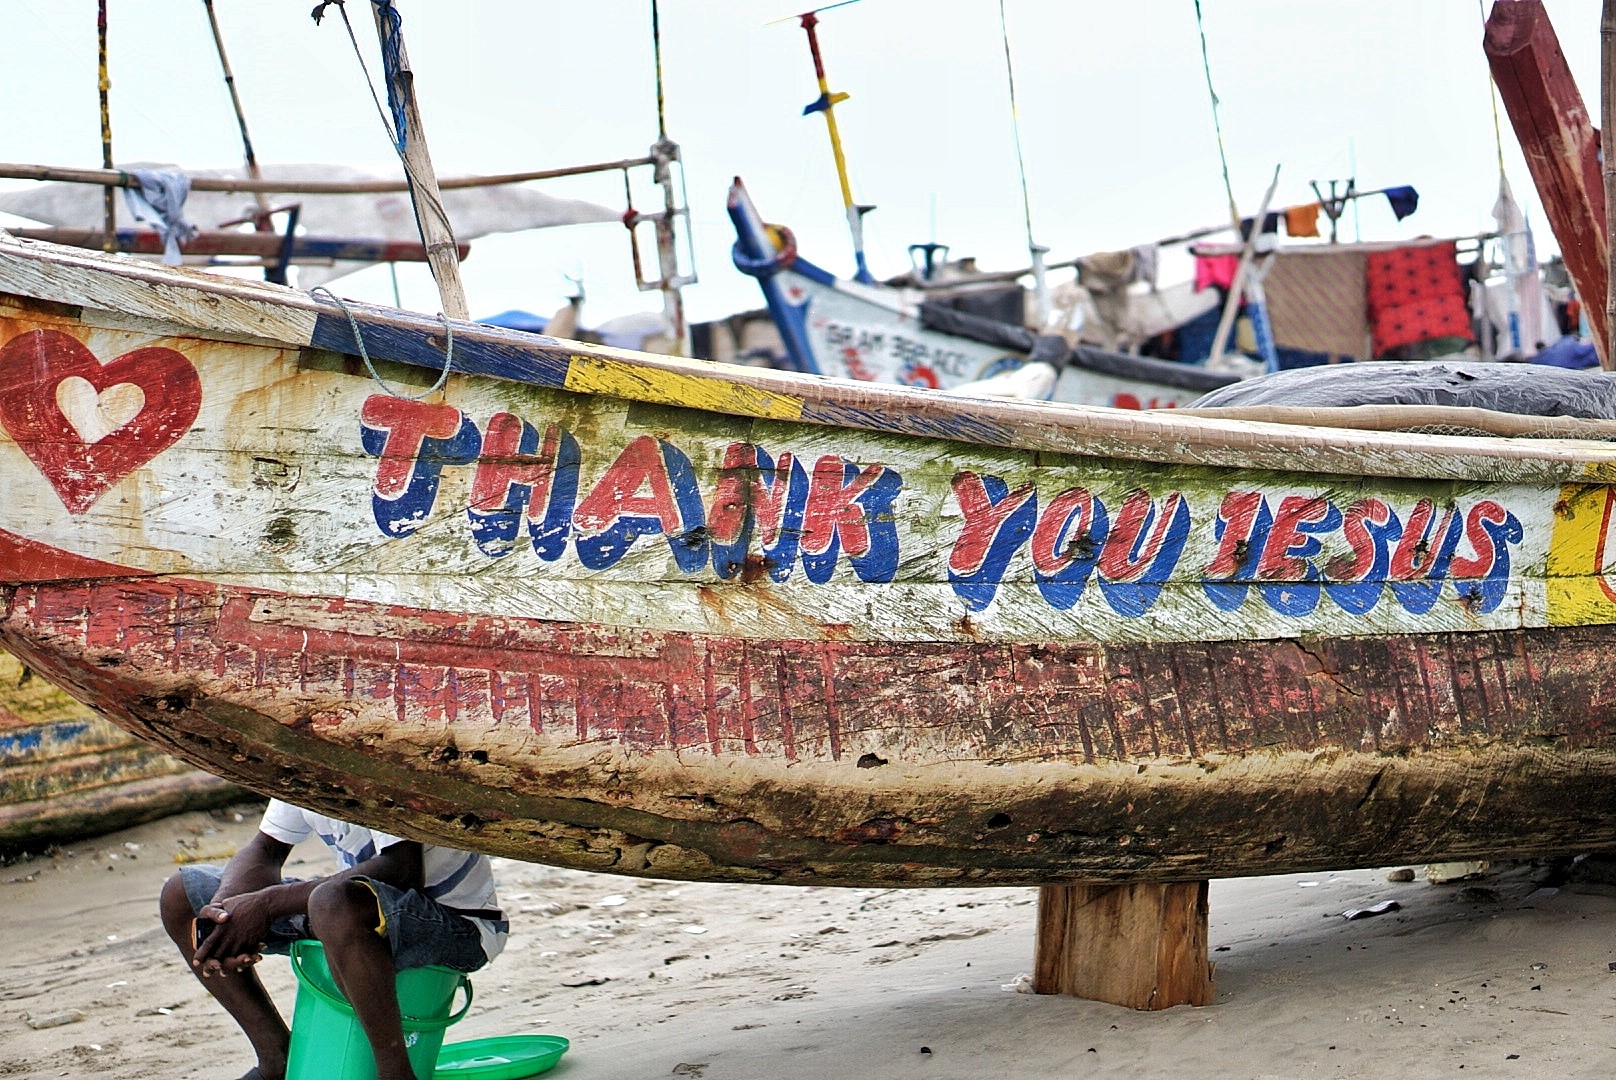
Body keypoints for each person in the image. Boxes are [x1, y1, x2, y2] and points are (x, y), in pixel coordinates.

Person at [159, 800, 507, 1080]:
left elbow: (402, 870)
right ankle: (276, 1061)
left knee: (330, 901)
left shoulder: (366, 755)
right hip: (352, 911)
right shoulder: (300, 763)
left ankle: (396, 1074)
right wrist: (225, 914)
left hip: (455, 924)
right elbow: (265, 851)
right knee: (181, 895)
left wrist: (266, 904)